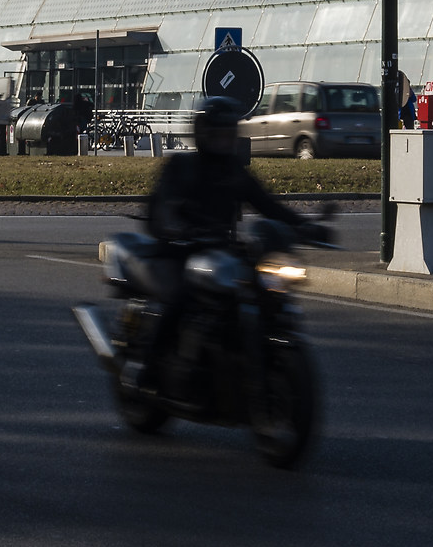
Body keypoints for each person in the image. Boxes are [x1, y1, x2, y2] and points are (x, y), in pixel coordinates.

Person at [125, 96, 309, 398]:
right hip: (177, 252)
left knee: (258, 292)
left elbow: (268, 205)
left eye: (228, 132)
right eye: (217, 132)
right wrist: (172, 225)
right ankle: (147, 370)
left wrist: (305, 225)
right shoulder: (181, 166)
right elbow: (160, 207)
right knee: (179, 299)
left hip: (219, 252)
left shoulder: (234, 171)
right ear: (202, 132)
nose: (224, 139)